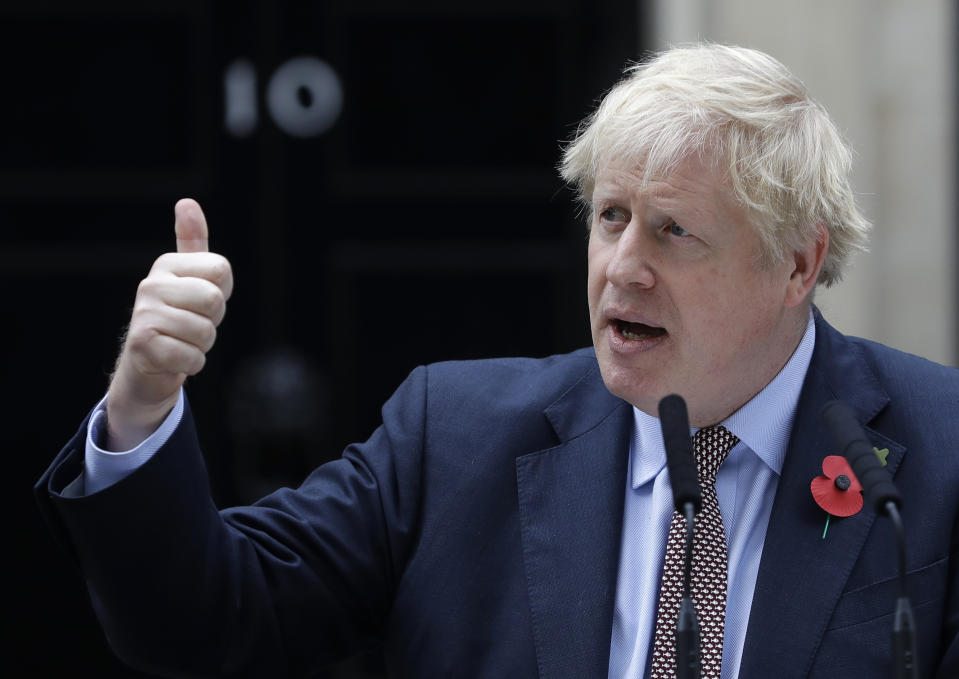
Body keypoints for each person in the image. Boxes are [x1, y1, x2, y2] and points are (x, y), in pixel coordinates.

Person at [36, 43, 958, 678]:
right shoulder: (457, 436)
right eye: (609, 217)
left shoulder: (936, 450)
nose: (621, 267)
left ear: (796, 263)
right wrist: (143, 400)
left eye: (674, 231)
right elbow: (201, 622)